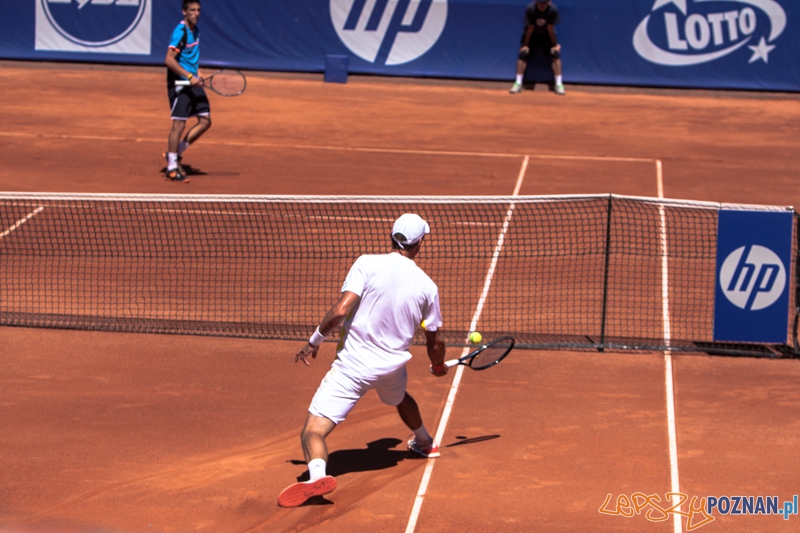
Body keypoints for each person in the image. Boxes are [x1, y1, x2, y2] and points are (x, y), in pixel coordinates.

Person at [277, 213, 449, 508]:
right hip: (391, 369)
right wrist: (437, 366)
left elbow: (341, 311)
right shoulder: (427, 287)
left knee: (313, 430)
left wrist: (314, 341)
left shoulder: (366, 263)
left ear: (392, 236)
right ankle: (424, 441)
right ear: (420, 243)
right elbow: (435, 342)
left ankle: (316, 474)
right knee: (399, 398)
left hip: (352, 368)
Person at [163, 0, 211, 183]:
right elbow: (169, 60)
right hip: (180, 84)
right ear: (184, 11)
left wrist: (198, 74)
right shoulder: (180, 32)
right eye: (192, 10)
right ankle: (171, 167)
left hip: (192, 81)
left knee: (205, 121)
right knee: (179, 125)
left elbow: (189, 59)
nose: (196, 13)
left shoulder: (196, 31)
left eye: (198, 10)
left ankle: (175, 153)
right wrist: (190, 77)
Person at [510, 0, 565, 96]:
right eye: (540, 3)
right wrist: (526, 45)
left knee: (555, 54)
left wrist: (554, 45)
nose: (542, 5)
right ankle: (518, 83)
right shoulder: (530, 9)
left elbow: (550, 28)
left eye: (544, 3)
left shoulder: (553, 10)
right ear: (536, 2)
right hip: (531, 36)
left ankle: (559, 84)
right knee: (523, 54)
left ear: (549, 2)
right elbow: (530, 28)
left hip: (547, 36)